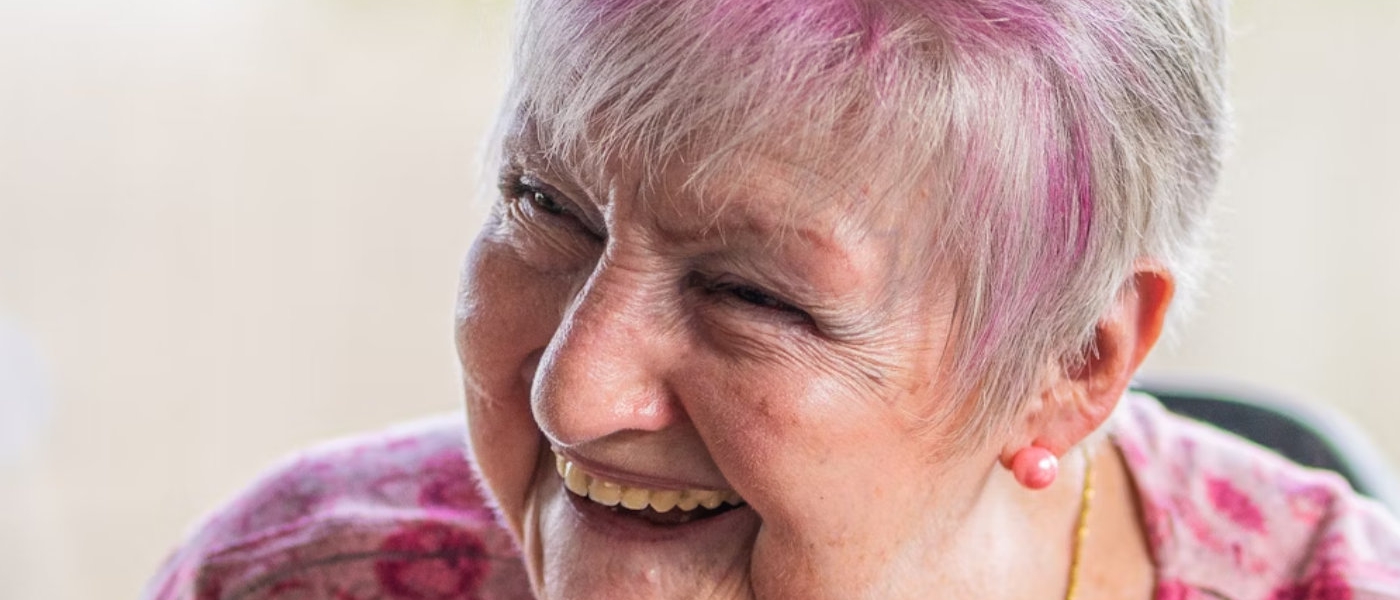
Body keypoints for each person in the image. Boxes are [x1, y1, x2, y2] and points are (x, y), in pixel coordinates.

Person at [145, 0, 1400, 598]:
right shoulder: (302, 576)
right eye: (545, 207)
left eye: (752, 294)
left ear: (1069, 361)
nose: (570, 393)